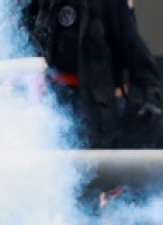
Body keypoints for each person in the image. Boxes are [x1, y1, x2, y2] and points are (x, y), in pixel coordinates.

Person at [22, 0, 163, 149]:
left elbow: (142, 66)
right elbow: (24, 51)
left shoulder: (108, 5)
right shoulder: (40, 5)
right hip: (50, 115)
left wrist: (143, 113)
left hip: (95, 118)